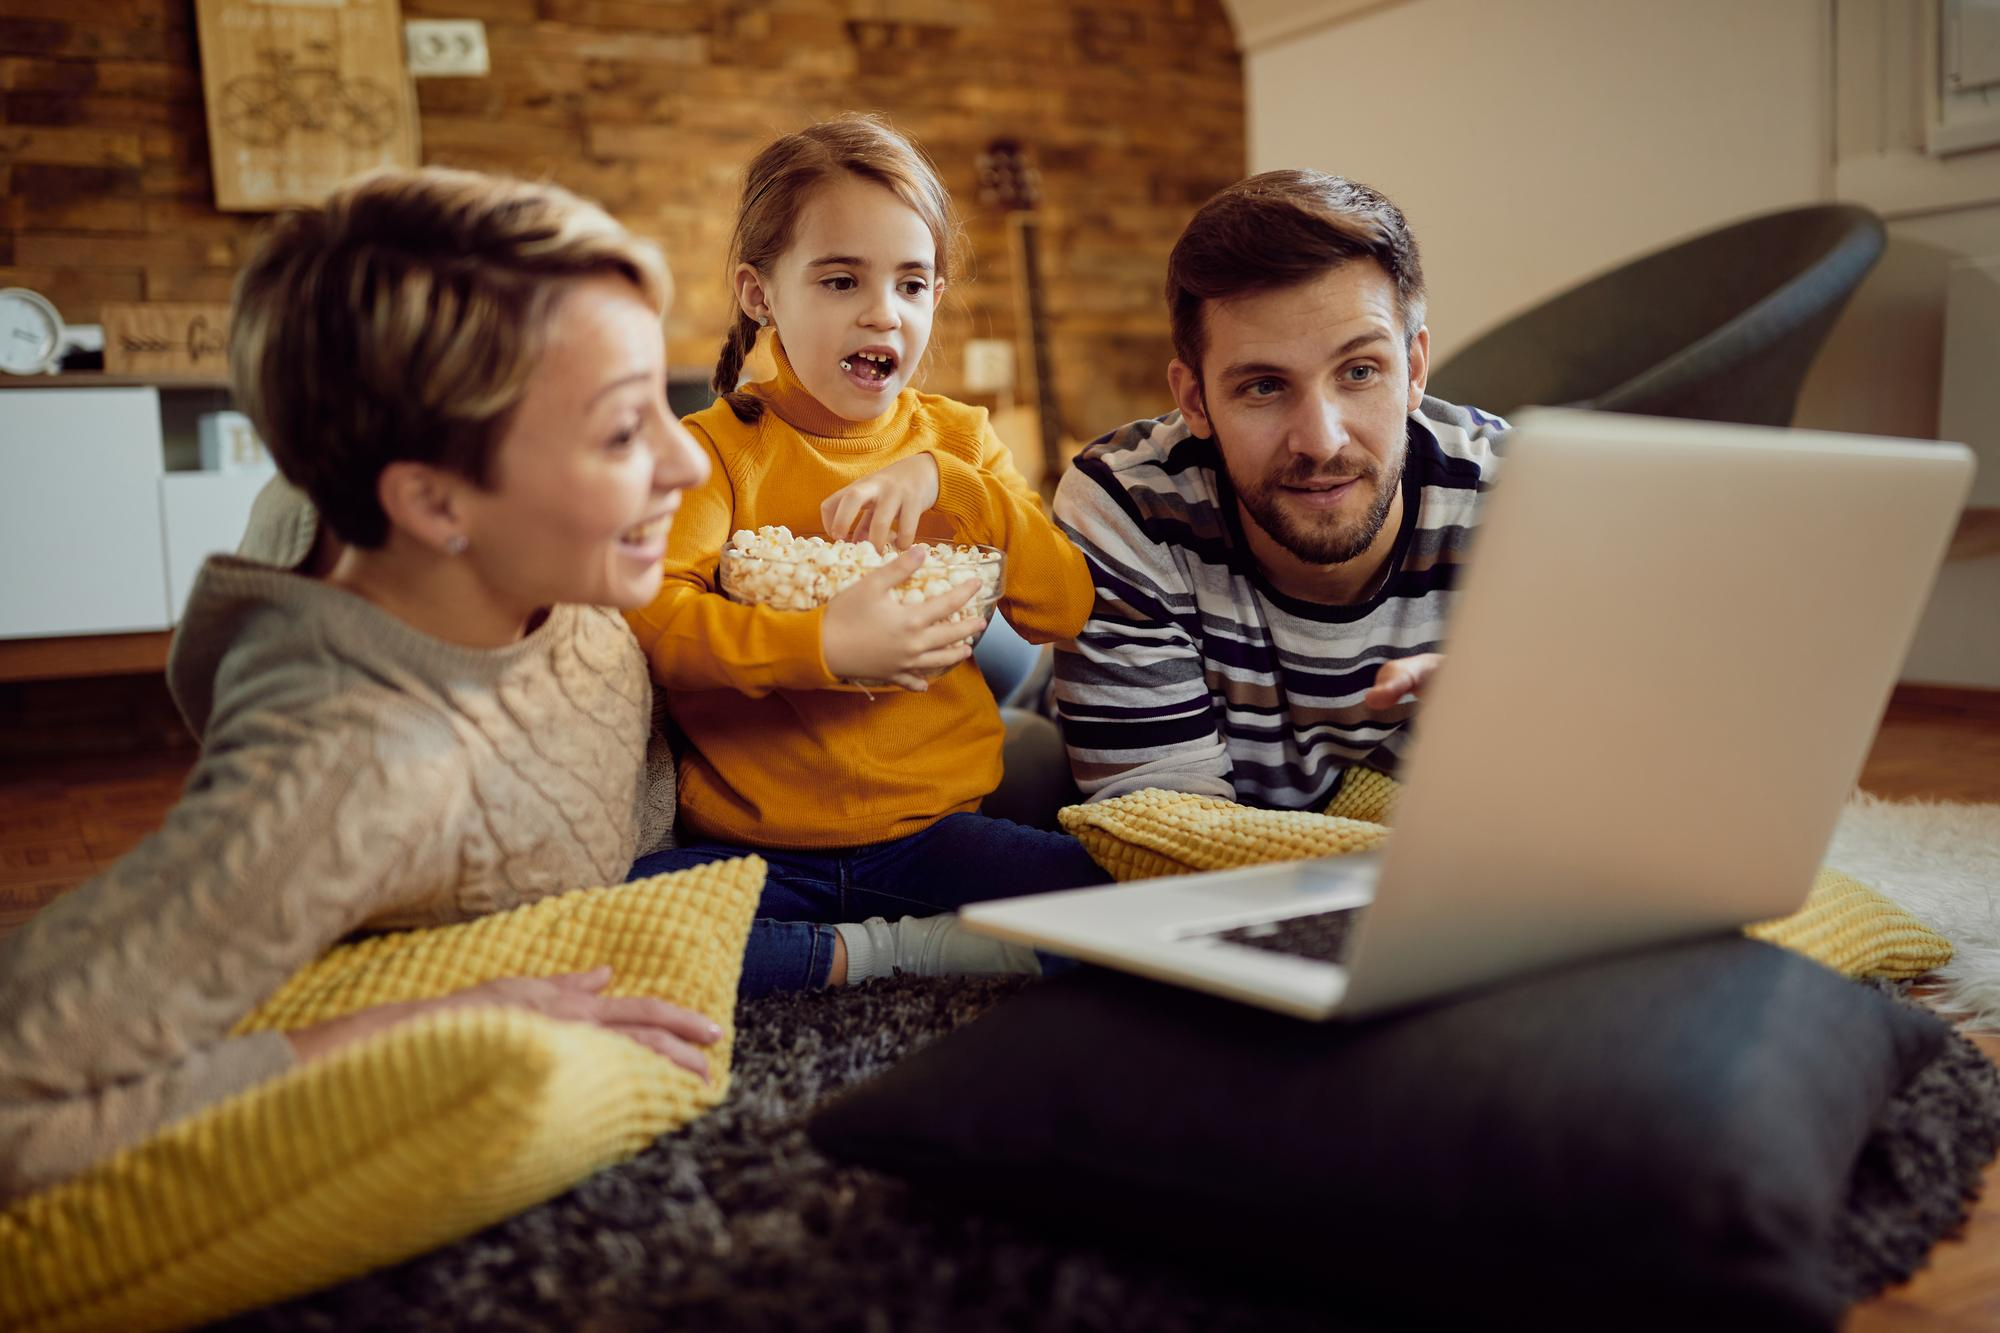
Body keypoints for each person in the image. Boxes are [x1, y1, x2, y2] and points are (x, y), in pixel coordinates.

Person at [0, 167, 722, 1204]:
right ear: (430, 501)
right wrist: (391, 1029)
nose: (684, 463)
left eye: (666, 401)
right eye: (620, 430)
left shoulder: (518, 546)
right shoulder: (346, 774)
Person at [625, 116, 1109, 994]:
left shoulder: (961, 439)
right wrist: (823, 649)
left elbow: (1065, 607)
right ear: (759, 293)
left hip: (937, 836)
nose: (884, 311)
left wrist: (953, 486)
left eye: (912, 284)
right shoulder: (713, 452)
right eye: (842, 279)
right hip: (755, 851)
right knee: (617, 929)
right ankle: (896, 954)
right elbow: (655, 618)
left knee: (1117, 907)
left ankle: (856, 953)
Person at [1052, 170, 1509, 810]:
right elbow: (1161, 837)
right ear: (1195, 400)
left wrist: (1514, 733)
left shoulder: (1519, 500)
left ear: (1413, 371)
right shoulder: (1129, 504)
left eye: (1359, 371)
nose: (1320, 442)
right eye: (1263, 386)